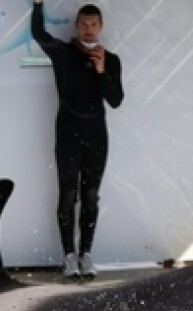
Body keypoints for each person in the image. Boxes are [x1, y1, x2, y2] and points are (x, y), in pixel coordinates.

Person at [31, 1, 123, 279]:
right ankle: (69, 255)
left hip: (97, 136)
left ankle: (87, 254)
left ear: (101, 26)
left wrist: (101, 71)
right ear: (76, 25)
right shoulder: (63, 53)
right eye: (84, 23)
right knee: (68, 195)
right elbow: (39, 34)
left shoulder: (111, 59)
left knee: (91, 197)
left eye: (94, 24)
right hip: (68, 135)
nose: (89, 29)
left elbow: (116, 100)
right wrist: (37, 5)